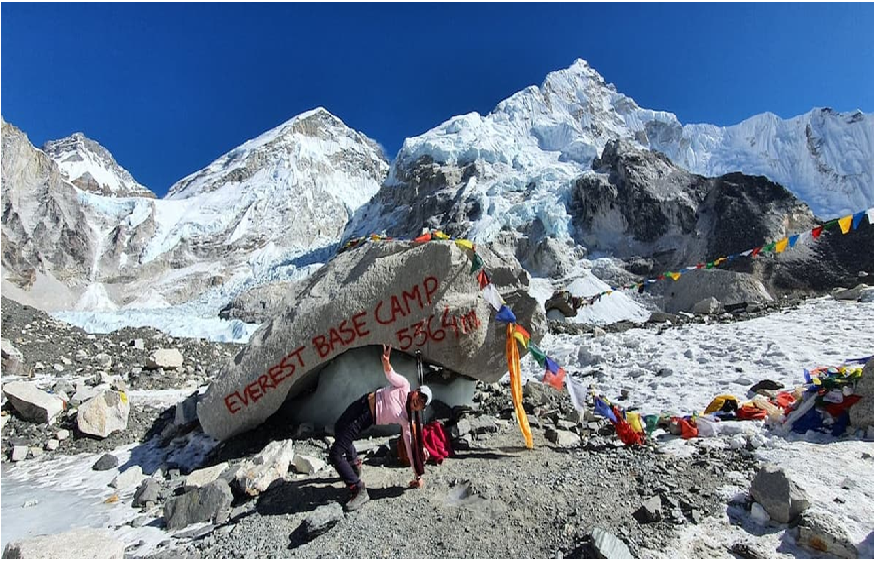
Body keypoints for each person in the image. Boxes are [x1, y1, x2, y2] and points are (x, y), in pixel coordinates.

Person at [328, 344, 433, 511]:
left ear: (422, 409)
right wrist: (386, 361)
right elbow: (390, 374)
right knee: (339, 427)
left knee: (335, 453)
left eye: (422, 402)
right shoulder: (404, 386)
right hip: (362, 403)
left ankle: (358, 489)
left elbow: (410, 447)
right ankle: (354, 464)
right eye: (419, 396)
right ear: (415, 391)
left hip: (366, 418)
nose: (418, 401)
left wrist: (417, 475)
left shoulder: (406, 421)